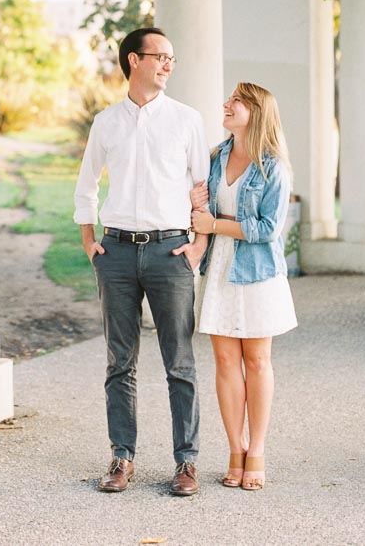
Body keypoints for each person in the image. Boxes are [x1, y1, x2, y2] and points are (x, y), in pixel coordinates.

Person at [74, 27, 210, 496]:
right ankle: (121, 456)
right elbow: (86, 185)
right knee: (119, 362)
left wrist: (197, 247)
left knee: (180, 363)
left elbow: (202, 191)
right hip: (115, 253)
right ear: (134, 60)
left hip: (170, 252)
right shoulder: (106, 122)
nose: (169, 65)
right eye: (161, 57)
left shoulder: (187, 120)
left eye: (172, 58)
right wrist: (90, 240)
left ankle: (186, 462)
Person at [190, 82, 297, 492]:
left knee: (256, 362)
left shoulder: (273, 167)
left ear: (256, 111)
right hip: (219, 269)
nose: (226, 105)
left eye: (235, 101)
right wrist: (197, 204)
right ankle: (235, 449)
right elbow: (203, 209)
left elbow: (268, 229)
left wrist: (214, 224)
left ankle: (258, 450)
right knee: (224, 362)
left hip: (258, 274)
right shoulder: (216, 157)